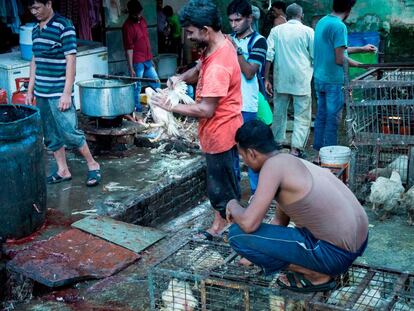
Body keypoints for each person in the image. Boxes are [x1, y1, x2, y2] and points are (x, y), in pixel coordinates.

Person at [226, 120, 369, 293]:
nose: (245, 163)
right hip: (357, 243)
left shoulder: (272, 167)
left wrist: (232, 204)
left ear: (252, 153)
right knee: (252, 237)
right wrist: (256, 251)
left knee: (236, 235)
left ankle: (315, 275)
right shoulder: (290, 161)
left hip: (335, 254)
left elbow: (249, 224)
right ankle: (318, 266)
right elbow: (280, 220)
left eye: (243, 157)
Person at [151, 0, 243, 240]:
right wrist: (179, 77)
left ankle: (230, 232)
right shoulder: (219, 45)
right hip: (222, 131)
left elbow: (206, 109)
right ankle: (222, 224)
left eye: (191, 32)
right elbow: (199, 68)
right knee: (221, 185)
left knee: (222, 190)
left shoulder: (219, 66)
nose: (188, 36)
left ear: (206, 30)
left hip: (221, 134)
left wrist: (171, 106)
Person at [25, 0, 101, 187]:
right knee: (50, 134)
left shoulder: (64, 25)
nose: (34, 12)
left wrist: (67, 93)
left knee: (70, 133)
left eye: (37, 7)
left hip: (59, 92)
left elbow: (71, 60)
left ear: (49, 3)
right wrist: (30, 90)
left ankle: (93, 164)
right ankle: (62, 170)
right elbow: (34, 60)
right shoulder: (35, 30)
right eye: (31, 9)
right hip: (41, 93)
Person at [313, 0, 376, 154]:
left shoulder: (323, 21)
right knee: (333, 120)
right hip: (333, 80)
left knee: (321, 116)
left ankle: (318, 154)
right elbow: (340, 59)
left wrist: (362, 48)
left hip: (319, 78)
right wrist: (362, 66)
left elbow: (338, 49)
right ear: (349, 9)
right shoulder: (339, 26)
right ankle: (330, 155)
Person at [228, 0, 267, 193]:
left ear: (249, 19)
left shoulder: (258, 41)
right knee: (231, 151)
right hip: (229, 104)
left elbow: (250, 72)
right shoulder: (230, 39)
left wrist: (237, 51)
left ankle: (257, 194)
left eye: (238, 20)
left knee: (250, 152)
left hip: (246, 105)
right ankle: (234, 192)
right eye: (231, 21)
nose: (234, 24)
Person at [265, 3, 314, 158]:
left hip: (282, 80)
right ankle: (296, 149)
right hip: (301, 80)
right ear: (302, 15)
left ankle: (277, 144)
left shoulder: (276, 31)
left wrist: (266, 78)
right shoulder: (308, 31)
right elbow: (314, 57)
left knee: (279, 112)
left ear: (286, 15)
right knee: (302, 115)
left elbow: (268, 56)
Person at [122, 0, 160, 113]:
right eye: (136, 14)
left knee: (156, 82)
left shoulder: (143, 21)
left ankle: (159, 106)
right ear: (130, 13)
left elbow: (146, 40)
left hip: (147, 59)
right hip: (137, 61)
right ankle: (136, 110)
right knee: (136, 87)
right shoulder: (127, 27)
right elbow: (129, 48)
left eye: (139, 13)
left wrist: (151, 58)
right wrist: (131, 67)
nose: (138, 16)